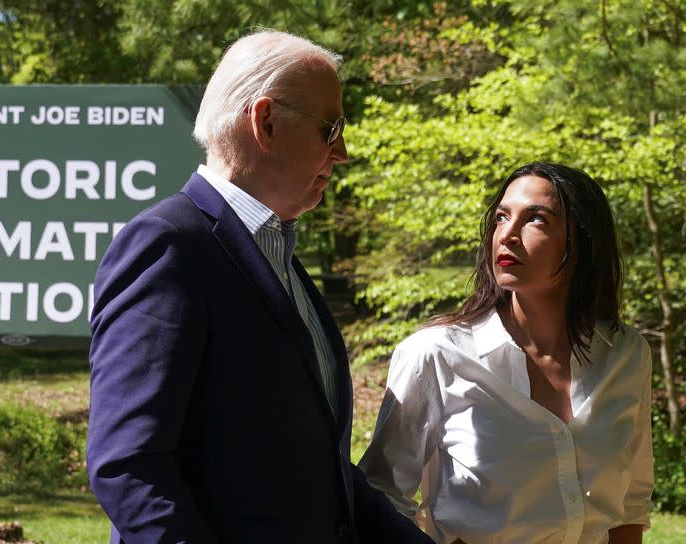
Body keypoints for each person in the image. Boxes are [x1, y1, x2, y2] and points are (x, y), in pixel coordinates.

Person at [87, 29, 434, 544]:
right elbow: (130, 466)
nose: (342, 152)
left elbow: (322, 474)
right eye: (332, 127)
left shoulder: (275, 254)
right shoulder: (169, 245)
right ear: (266, 122)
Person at [359, 162, 654, 544]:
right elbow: (381, 500)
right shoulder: (435, 354)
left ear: (583, 242)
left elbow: (631, 504)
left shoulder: (627, 355)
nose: (508, 235)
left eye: (536, 219)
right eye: (501, 217)